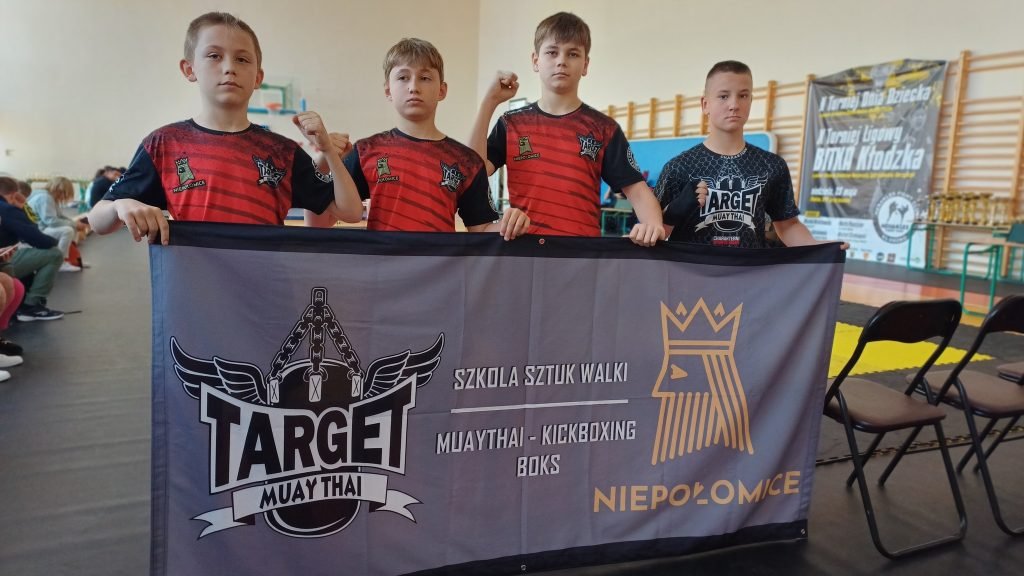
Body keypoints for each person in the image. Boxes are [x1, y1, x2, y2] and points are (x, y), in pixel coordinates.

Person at [88, 12, 363, 244]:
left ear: (258, 77)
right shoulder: (164, 144)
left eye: (242, 59)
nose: (229, 67)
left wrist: (327, 151)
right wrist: (120, 205)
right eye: (214, 55)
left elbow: (350, 212)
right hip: (194, 287)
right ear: (189, 69)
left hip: (264, 287)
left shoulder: (283, 152)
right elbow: (98, 220)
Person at [467, 12, 664, 246]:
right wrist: (489, 102)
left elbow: (638, 190)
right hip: (525, 254)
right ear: (535, 60)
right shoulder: (511, 124)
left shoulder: (603, 129)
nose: (561, 61)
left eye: (572, 54)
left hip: (581, 256)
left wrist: (653, 226)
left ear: (585, 65)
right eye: (552, 52)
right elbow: (473, 173)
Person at [305, 38, 529, 239]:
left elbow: (481, 230)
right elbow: (319, 223)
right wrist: (323, 159)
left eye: (424, 78)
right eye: (403, 77)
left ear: (441, 90)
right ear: (388, 90)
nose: (413, 87)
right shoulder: (366, 151)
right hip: (381, 271)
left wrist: (511, 224)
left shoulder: (466, 161)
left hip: (440, 272)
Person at [655, 60, 844, 248]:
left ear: (751, 101)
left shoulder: (771, 166)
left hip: (750, 267)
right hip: (692, 267)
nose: (734, 104)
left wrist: (819, 248)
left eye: (743, 96)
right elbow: (654, 234)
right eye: (723, 96)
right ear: (705, 104)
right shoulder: (678, 167)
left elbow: (788, 226)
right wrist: (673, 213)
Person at [0, 177, 65, 321]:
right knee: (54, 254)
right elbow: (36, 236)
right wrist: (24, 206)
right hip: (3, 261)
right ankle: (31, 306)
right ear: (14, 194)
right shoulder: (7, 209)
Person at [28, 177, 87, 272]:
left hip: (41, 227)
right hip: (38, 230)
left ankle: (73, 259)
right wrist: (73, 224)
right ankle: (60, 263)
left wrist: (74, 223)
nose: (63, 197)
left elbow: (60, 216)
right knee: (67, 231)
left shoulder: (49, 197)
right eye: (64, 193)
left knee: (71, 227)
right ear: (58, 189)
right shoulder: (45, 198)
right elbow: (50, 221)